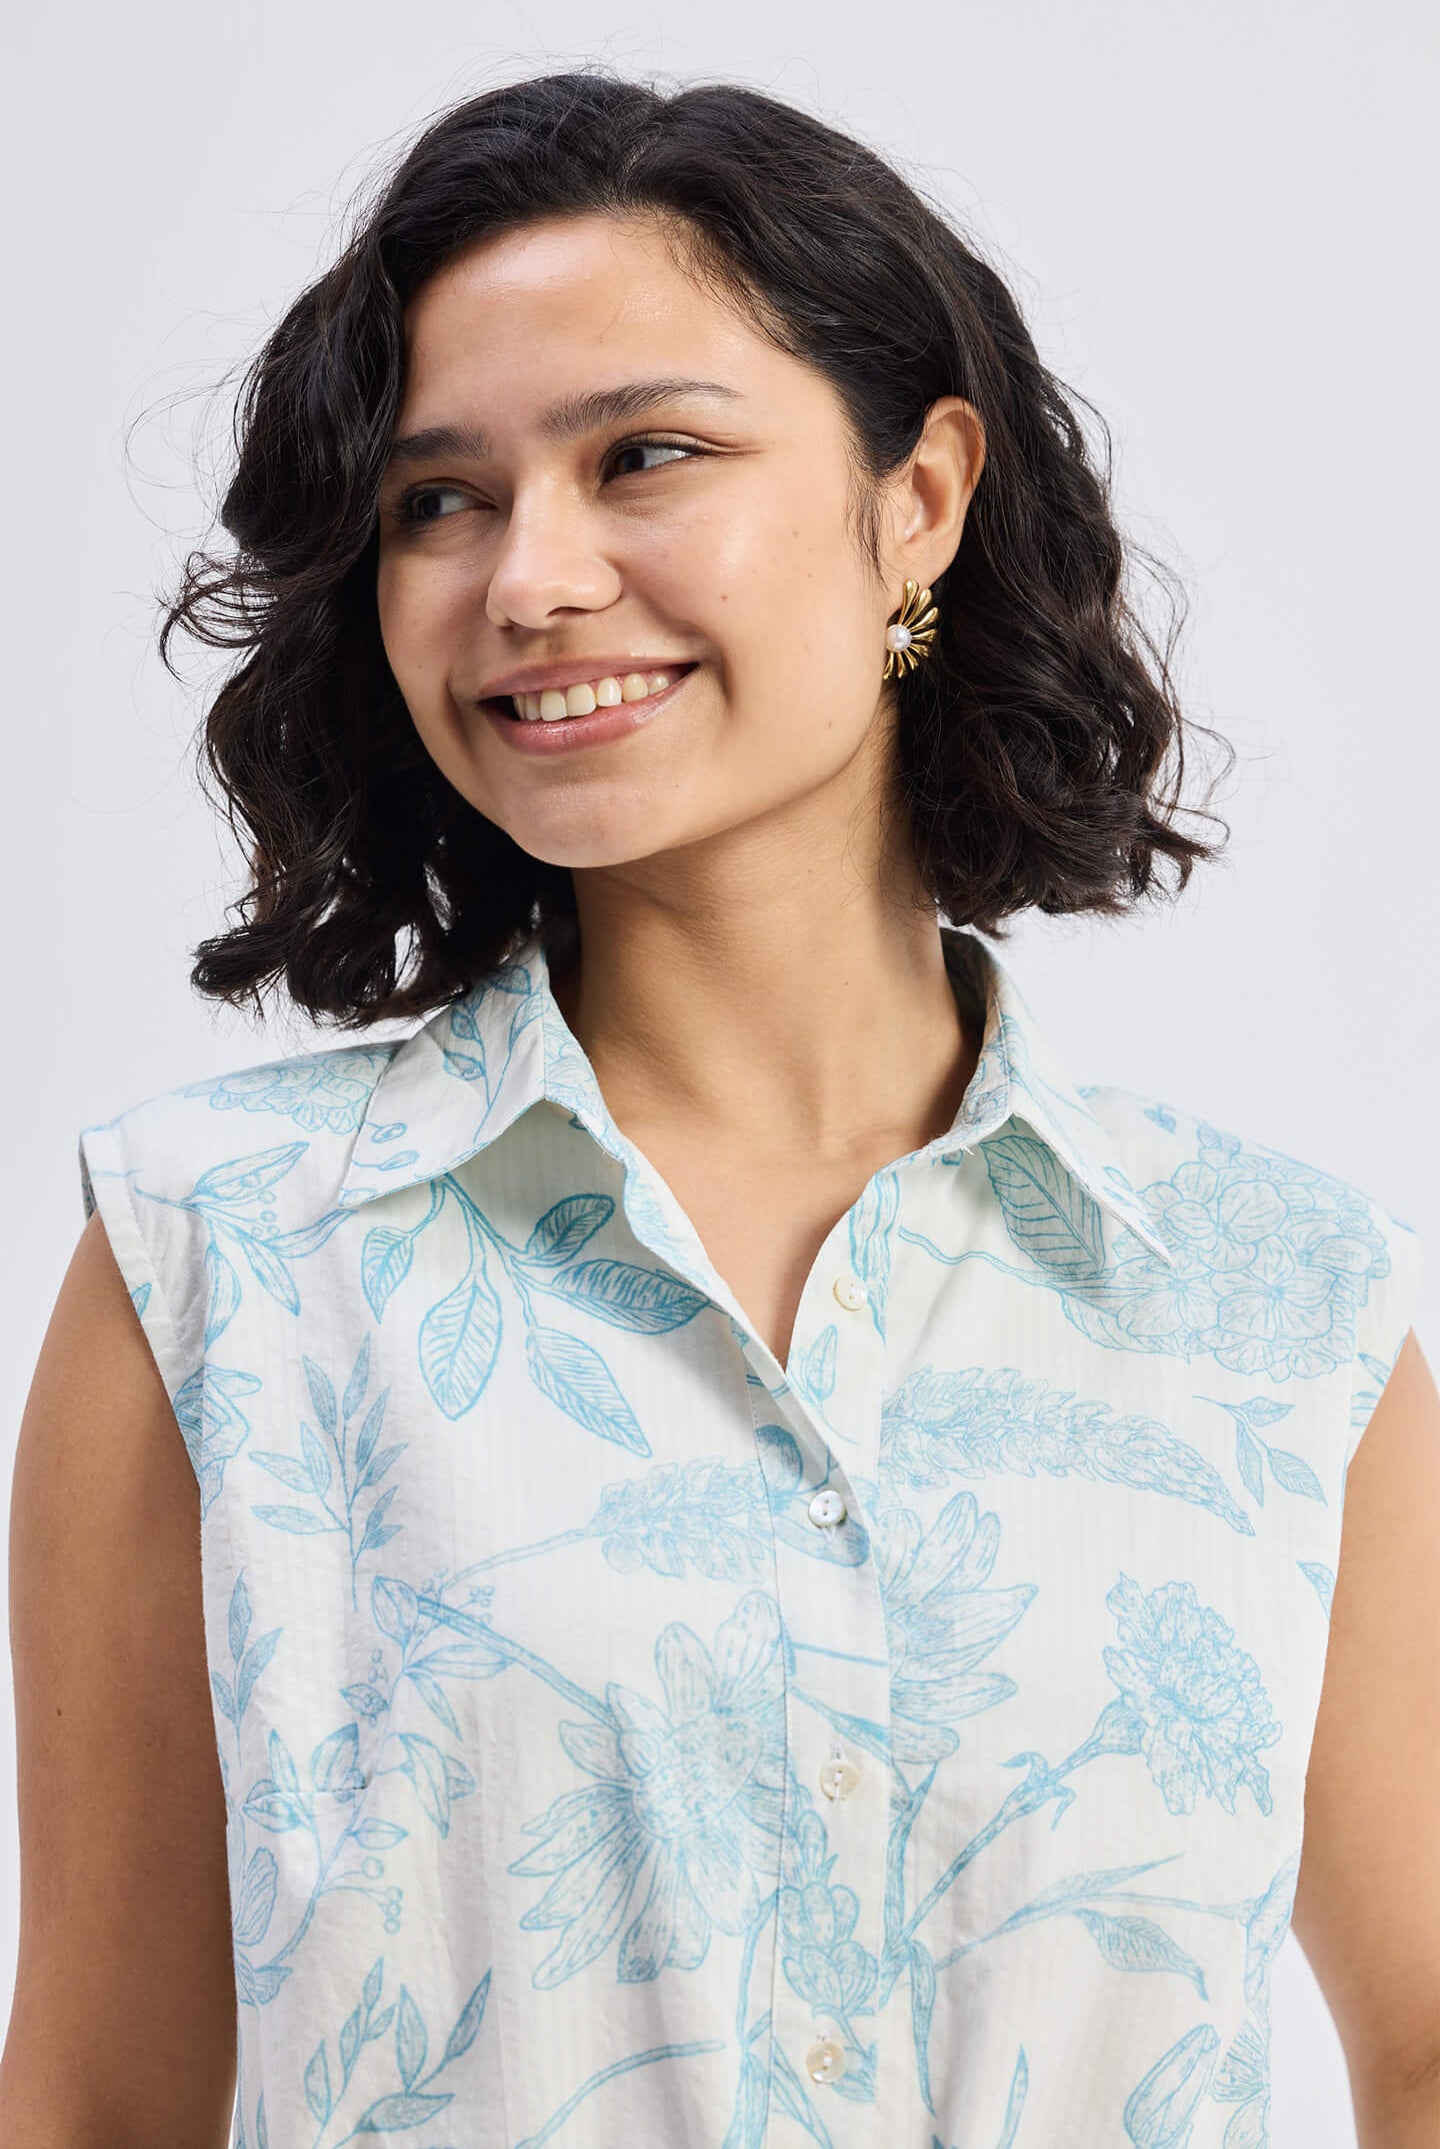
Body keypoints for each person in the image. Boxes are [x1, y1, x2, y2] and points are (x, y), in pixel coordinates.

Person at [3, 69, 1436, 2149]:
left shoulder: (1275, 1311)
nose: (530, 578)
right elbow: (97, 2106)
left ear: (917, 500)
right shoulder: (219, 1271)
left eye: (644, 456)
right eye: (439, 499)